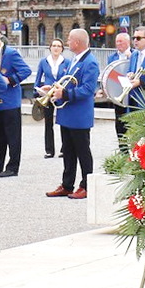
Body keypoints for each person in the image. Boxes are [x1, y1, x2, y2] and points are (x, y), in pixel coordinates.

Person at [47, 27, 101, 200]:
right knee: (68, 151)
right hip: (68, 113)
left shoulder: (90, 62)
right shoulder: (74, 60)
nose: (67, 42)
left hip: (79, 115)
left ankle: (86, 185)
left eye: (69, 39)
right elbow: (69, 83)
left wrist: (65, 94)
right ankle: (67, 184)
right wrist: (54, 88)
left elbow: (88, 89)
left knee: (83, 151)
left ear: (77, 42)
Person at [0, 31, 30, 178]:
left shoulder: (10, 53)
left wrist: (10, 80)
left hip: (10, 102)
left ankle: (13, 167)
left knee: (13, 137)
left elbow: (26, 70)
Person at [32, 39, 65, 158]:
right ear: (50, 48)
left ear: (62, 49)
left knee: (64, 122)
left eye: (59, 46)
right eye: (54, 45)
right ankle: (49, 150)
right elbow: (38, 79)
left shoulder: (67, 62)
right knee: (48, 123)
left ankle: (65, 149)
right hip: (47, 95)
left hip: (60, 95)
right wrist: (37, 91)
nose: (56, 48)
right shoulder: (43, 62)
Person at [106, 31, 135, 143]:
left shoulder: (134, 54)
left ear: (128, 42)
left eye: (121, 41)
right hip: (118, 93)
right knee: (119, 122)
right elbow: (110, 73)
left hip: (132, 93)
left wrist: (130, 58)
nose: (118, 44)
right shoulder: (112, 57)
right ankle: (122, 146)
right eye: (117, 41)